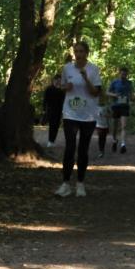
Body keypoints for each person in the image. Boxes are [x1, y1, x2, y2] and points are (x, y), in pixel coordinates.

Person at [56, 41, 101, 198]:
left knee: (83, 150)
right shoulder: (67, 68)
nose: (78, 54)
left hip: (88, 115)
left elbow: (96, 93)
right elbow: (61, 85)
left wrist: (86, 78)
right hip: (70, 113)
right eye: (76, 51)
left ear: (87, 53)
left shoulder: (94, 70)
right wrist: (64, 87)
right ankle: (65, 183)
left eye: (81, 51)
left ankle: (80, 184)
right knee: (69, 148)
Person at [107, 66, 133, 153]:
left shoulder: (129, 83)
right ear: (119, 73)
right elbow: (107, 92)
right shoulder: (114, 82)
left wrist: (131, 98)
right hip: (116, 106)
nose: (123, 75)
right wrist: (114, 95)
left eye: (125, 74)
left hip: (125, 106)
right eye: (122, 74)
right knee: (114, 127)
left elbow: (131, 94)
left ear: (127, 75)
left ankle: (123, 144)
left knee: (123, 126)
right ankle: (114, 140)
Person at [42, 75, 65, 147]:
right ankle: (50, 140)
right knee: (52, 125)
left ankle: (52, 140)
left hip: (58, 111)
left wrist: (63, 111)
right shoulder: (49, 89)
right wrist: (44, 109)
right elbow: (45, 99)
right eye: (57, 80)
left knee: (56, 126)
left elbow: (63, 101)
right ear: (54, 80)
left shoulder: (62, 90)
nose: (58, 81)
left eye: (60, 80)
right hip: (50, 109)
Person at [95, 95, 110, 159]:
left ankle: (102, 150)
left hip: (105, 125)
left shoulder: (107, 107)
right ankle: (101, 151)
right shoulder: (95, 106)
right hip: (98, 125)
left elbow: (111, 114)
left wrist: (107, 115)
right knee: (100, 137)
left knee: (103, 138)